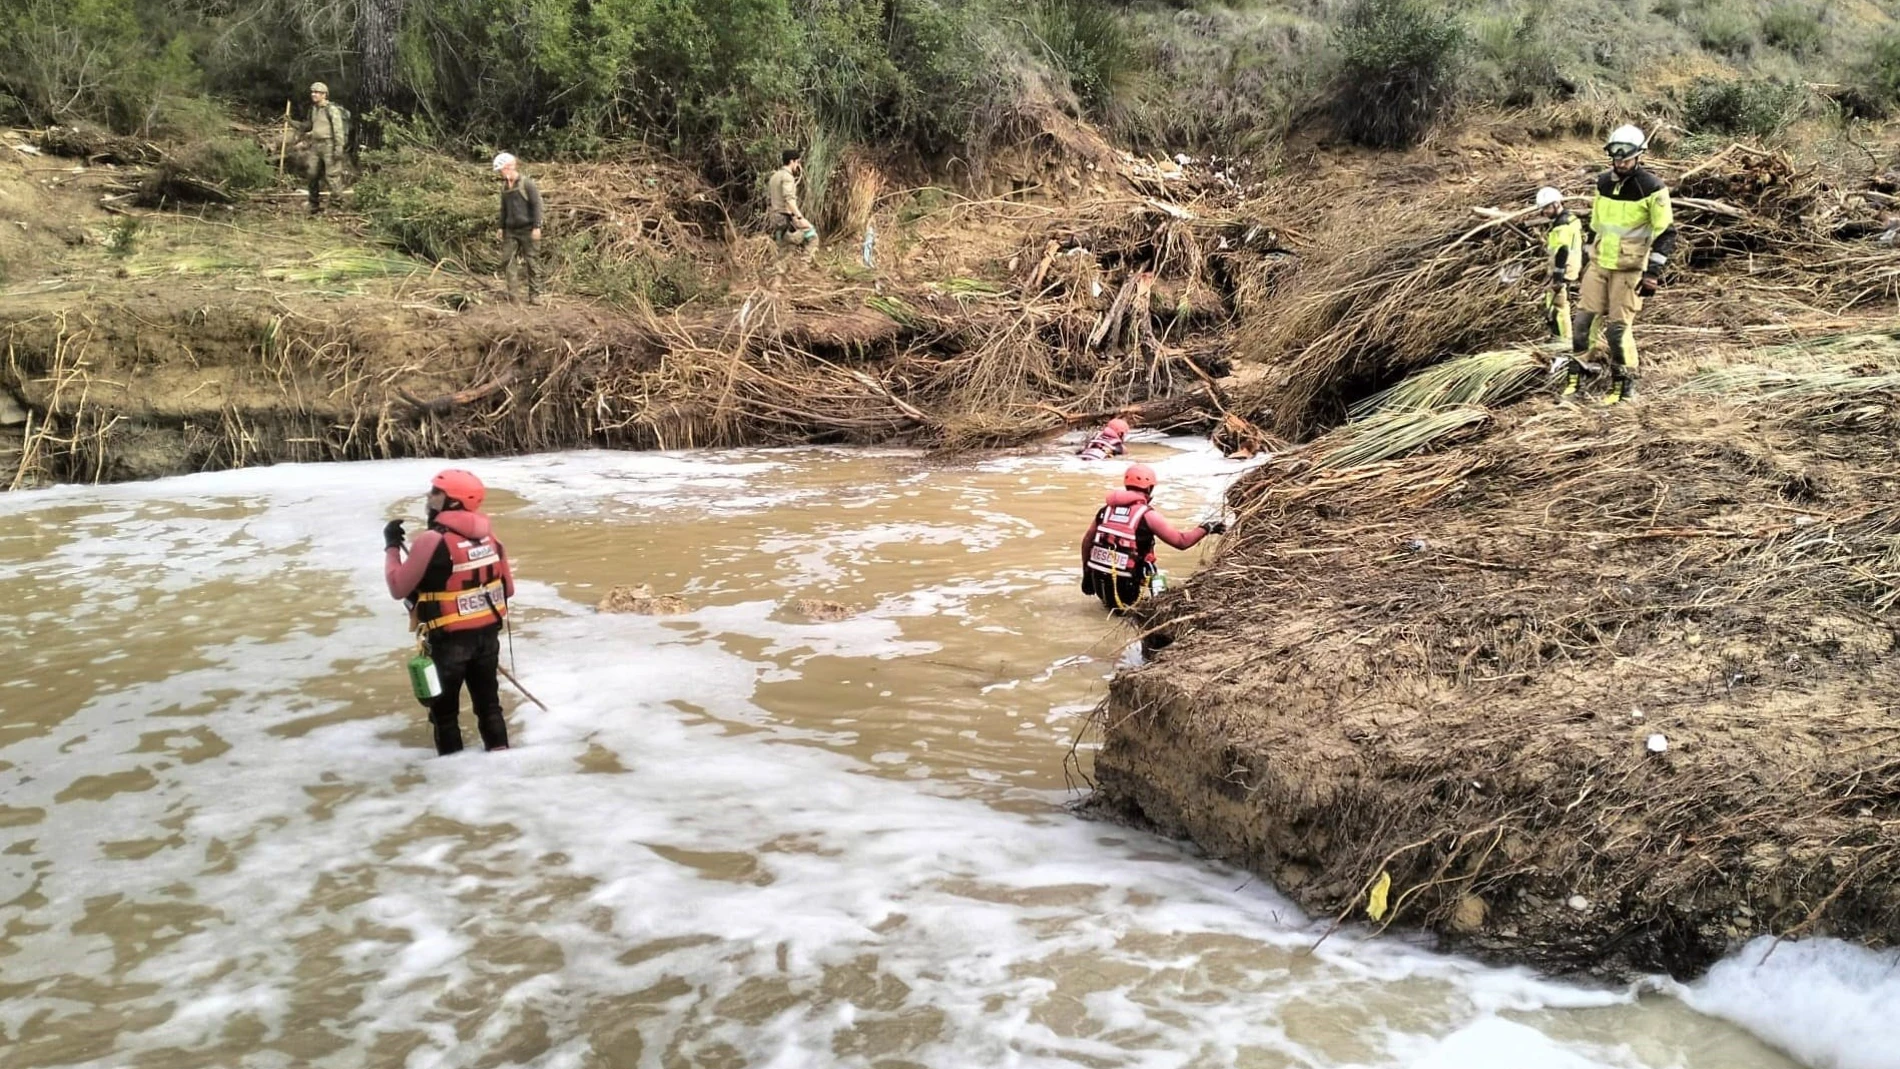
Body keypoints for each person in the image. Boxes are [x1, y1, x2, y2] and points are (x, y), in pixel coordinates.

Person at [384, 469, 516, 755]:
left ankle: (452, 775)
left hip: (448, 644)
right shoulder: (491, 538)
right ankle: (502, 761)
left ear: (453, 502)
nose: (429, 497)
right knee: (490, 707)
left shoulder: (431, 540)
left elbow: (396, 587)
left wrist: (392, 547)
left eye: (435, 492)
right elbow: (508, 590)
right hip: (487, 640)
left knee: (444, 716)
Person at [1568, 124, 1677, 406]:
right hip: (1599, 264)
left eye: (1625, 158)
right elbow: (1594, 226)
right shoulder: (1603, 183)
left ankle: (1624, 384)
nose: (1620, 163)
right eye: (1616, 158)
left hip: (1629, 269)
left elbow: (1666, 232)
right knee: (1582, 323)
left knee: (1617, 330)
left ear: (1639, 156)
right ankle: (1577, 377)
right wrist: (1584, 260)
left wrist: (1652, 273)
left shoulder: (1652, 188)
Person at [1080, 463, 1226, 612]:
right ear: (1150, 488)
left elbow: (1086, 542)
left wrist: (1086, 574)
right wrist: (1206, 528)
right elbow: (1182, 542)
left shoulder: (1105, 511)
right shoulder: (1147, 515)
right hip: (1128, 588)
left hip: (1098, 581)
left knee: (1109, 611)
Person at [494, 152, 545, 305]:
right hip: (511, 230)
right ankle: (513, 296)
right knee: (508, 261)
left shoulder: (526, 184)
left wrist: (537, 226)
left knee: (532, 262)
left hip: (528, 229)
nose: (500, 173)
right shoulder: (504, 187)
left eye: (501, 170)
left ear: (509, 167)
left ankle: (535, 296)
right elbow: (504, 209)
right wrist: (501, 227)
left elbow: (537, 205)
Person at [1536, 187, 1583, 348]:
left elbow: (1562, 250)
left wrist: (1557, 276)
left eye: (1547, 208)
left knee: (1559, 308)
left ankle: (1564, 343)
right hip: (1568, 268)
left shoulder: (1562, 225)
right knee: (1554, 305)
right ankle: (1558, 338)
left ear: (1556, 204)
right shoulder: (1571, 219)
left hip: (1563, 270)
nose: (1545, 212)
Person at [299, 82, 349, 214]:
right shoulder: (314, 109)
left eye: (317, 92)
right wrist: (293, 123)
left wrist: (339, 149)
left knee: (332, 175)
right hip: (316, 145)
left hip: (329, 145)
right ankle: (313, 203)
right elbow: (309, 125)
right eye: (312, 92)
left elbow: (338, 130)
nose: (313, 94)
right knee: (312, 174)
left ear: (324, 95)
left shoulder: (331, 110)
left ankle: (337, 205)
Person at [767, 149, 818, 270]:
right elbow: (789, 200)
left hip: (775, 218)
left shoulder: (774, 176)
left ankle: (781, 269)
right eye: (797, 162)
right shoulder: (787, 177)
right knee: (813, 236)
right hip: (785, 218)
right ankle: (804, 264)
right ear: (792, 161)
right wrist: (800, 218)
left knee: (786, 247)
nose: (798, 165)